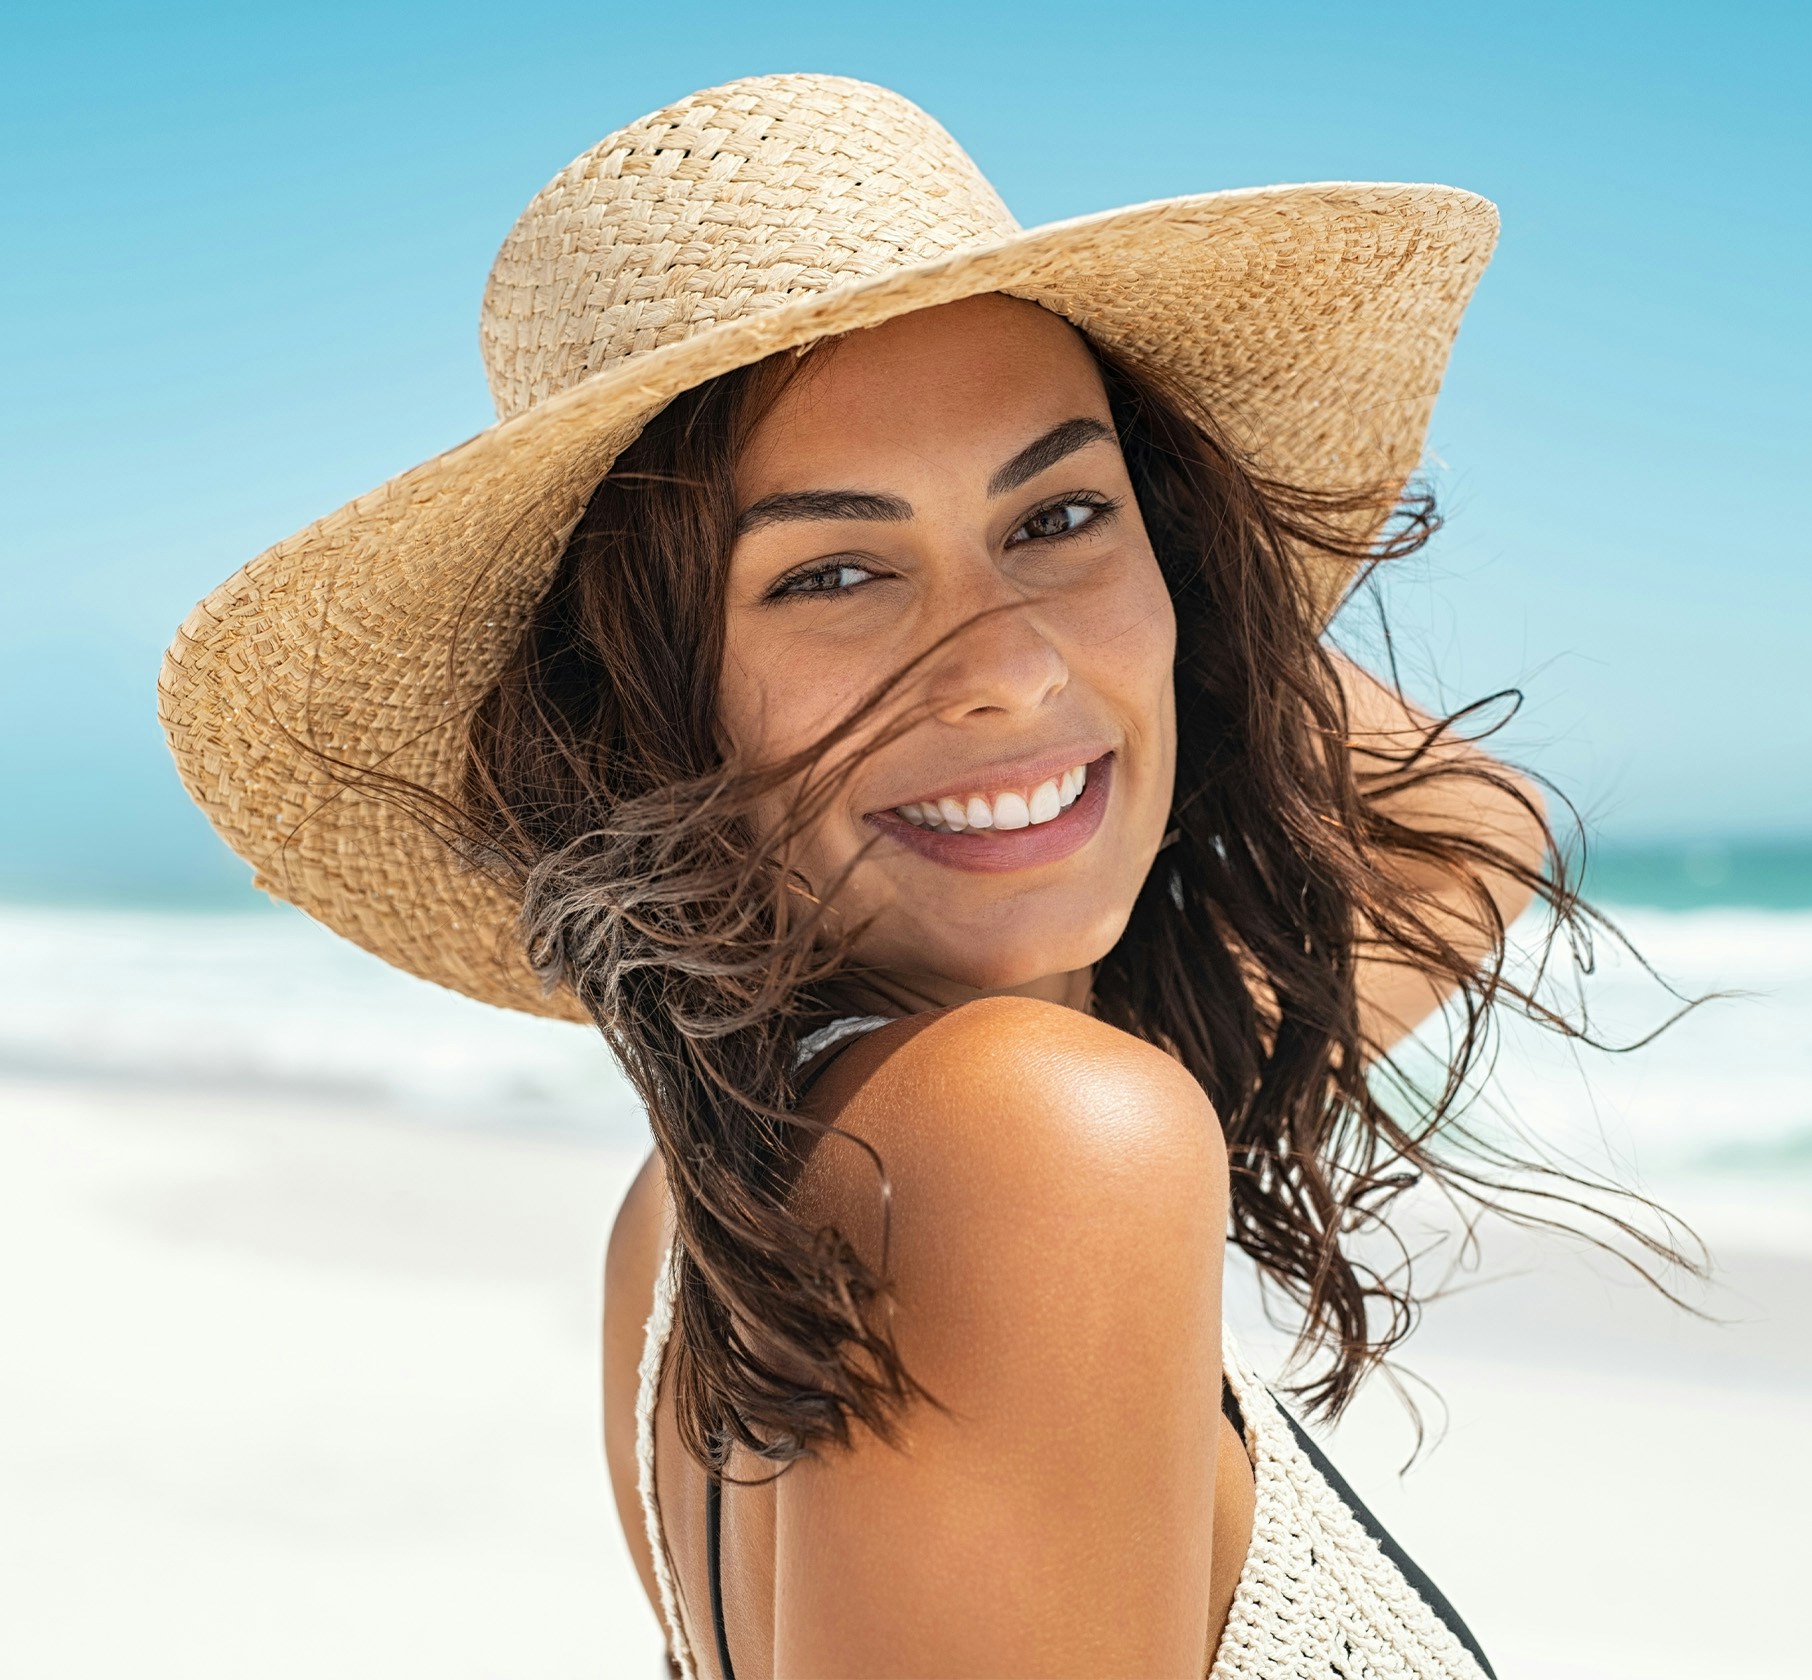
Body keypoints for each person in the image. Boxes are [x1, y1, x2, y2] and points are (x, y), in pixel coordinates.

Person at [162, 72, 1681, 1679]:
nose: (1012, 671)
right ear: (646, 713)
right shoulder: (1032, 1144)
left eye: (1059, 514)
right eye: (832, 571)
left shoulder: (699, 1213)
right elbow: (1461, 815)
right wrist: (1124, 643)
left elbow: (1464, 829)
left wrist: (1184, 627)